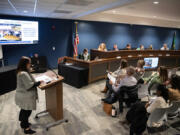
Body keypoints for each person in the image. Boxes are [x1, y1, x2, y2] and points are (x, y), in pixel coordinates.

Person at [15, 56, 42, 134]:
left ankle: (23, 124)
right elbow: (29, 85)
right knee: (27, 112)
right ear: (25, 64)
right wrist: (39, 82)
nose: (31, 64)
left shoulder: (21, 71)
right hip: (25, 96)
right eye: (29, 63)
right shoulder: (23, 73)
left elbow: (28, 77)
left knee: (24, 110)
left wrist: (31, 71)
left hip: (22, 95)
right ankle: (26, 128)